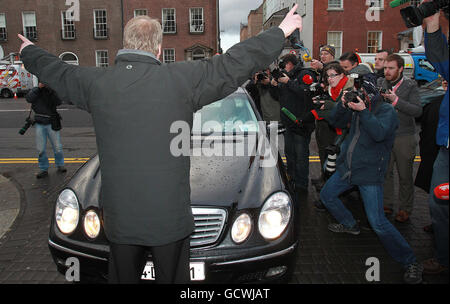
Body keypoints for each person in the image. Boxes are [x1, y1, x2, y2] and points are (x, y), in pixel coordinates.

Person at [18, 6, 303, 283]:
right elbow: (234, 63)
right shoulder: (180, 79)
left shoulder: (97, 83)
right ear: (157, 49)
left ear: (125, 44)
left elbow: (57, 71)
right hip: (169, 221)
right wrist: (280, 32)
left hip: (120, 221)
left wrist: (29, 51)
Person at [319, 76, 424, 284]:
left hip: (369, 174)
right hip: (348, 169)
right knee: (326, 195)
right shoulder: (358, 107)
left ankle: (410, 261)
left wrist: (363, 111)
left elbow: (379, 134)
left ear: (373, 94)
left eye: (364, 93)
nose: (360, 96)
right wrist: (342, 105)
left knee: (378, 223)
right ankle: (350, 224)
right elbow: (335, 122)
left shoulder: (386, 111)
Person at [379, 54, 423, 223]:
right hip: (385, 135)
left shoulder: (411, 86)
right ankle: (387, 203)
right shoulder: (381, 83)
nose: (387, 71)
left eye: (391, 68)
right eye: (385, 68)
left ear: (401, 69)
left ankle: (405, 209)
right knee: (386, 172)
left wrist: (395, 101)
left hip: (404, 136)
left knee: (405, 176)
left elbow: (417, 111)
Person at [421, 7, 449, 275]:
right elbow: (440, 57)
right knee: (437, 203)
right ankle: (442, 257)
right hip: (446, 150)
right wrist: (432, 24)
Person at [271, 53, 317, 194]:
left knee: (301, 156)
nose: (283, 69)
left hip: (301, 123)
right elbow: (278, 97)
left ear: (289, 64)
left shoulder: (305, 74)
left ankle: (302, 185)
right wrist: (274, 86)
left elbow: (308, 93)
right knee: (290, 154)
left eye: (283, 65)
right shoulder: (286, 77)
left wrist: (288, 82)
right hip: (289, 123)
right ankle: (291, 180)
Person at [25, 82, 66, 178]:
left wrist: (51, 91)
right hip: (40, 123)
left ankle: (60, 165)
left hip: (52, 122)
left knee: (57, 147)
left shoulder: (51, 91)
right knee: (40, 149)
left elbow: (58, 102)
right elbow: (28, 99)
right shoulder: (35, 91)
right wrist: (38, 89)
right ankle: (43, 168)